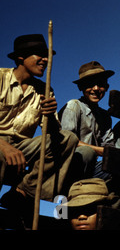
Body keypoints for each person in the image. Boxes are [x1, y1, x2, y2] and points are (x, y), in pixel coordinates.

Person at [0, 34, 79, 221]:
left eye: (47, 56)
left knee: (69, 139)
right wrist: (4, 146)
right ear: (21, 58)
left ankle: (24, 194)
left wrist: (50, 115)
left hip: (23, 148)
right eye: (39, 55)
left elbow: (53, 134)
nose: (45, 60)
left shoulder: (45, 90)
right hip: (1, 146)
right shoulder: (1, 78)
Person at [59, 61, 116, 181]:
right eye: (90, 84)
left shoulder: (104, 116)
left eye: (100, 84)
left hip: (90, 168)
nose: (95, 89)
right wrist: (101, 151)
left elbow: (109, 146)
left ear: (106, 87)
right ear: (81, 87)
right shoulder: (73, 106)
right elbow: (68, 142)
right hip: (69, 166)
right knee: (86, 152)